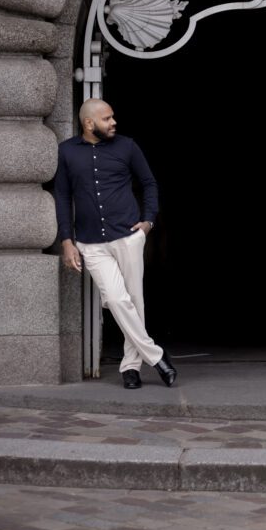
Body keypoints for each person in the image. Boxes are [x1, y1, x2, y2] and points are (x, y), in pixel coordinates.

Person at [54, 99, 177, 390]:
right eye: (107, 119)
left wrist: (147, 222)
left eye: (113, 118)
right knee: (116, 299)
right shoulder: (67, 152)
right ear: (89, 123)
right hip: (90, 243)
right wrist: (66, 241)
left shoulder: (127, 146)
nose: (113, 123)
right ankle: (156, 356)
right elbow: (61, 197)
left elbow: (149, 183)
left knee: (135, 301)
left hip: (128, 236)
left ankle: (130, 367)